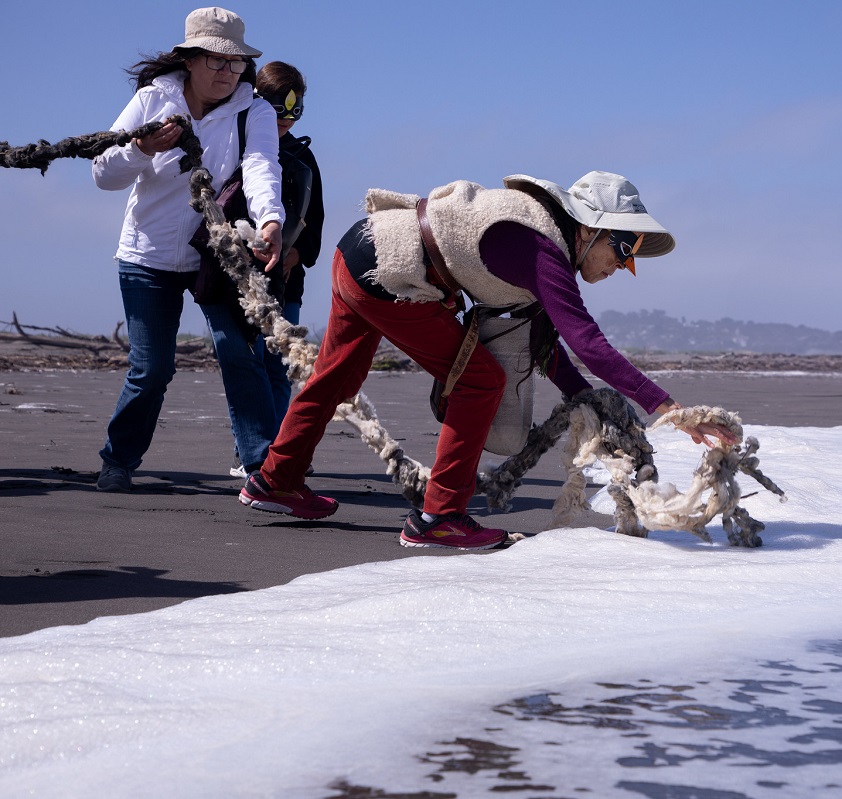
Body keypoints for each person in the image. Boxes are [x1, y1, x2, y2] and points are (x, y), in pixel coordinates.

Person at [238, 171, 738, 550]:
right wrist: (672, 409)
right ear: (591, 228)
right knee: (481, 381)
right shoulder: (543, 247)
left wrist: (589, 402)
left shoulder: (546, 244)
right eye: (623, 248)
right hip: (392, 272)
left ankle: (275, 478)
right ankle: (439, 519)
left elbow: (548, 348)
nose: (624, 267)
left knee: (336, 376)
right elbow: (589, 344)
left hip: (361, 251)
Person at [92, 7, 284, 492]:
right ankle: (118, 461)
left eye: (236, 63)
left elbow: (261, 166)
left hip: (217, 253)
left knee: (239, 353)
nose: (227, 72)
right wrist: (142, 150)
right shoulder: (152, 100)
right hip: (146, 255)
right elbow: (103, 174)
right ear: (191, 60)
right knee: (152, 368)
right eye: (217, 62)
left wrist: (270, 218)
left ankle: (262, 470)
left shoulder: (254, 110)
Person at [226, 60, 324, 478]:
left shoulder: (304, 157)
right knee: (245, 361)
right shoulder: (233, 146)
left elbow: (314, 221)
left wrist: (293, 254)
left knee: (280, 365)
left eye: (295, 109)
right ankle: (253, 452)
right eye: (277, 108)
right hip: (238, 277)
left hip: (288, 279)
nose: (285, 119)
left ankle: (278, 452)